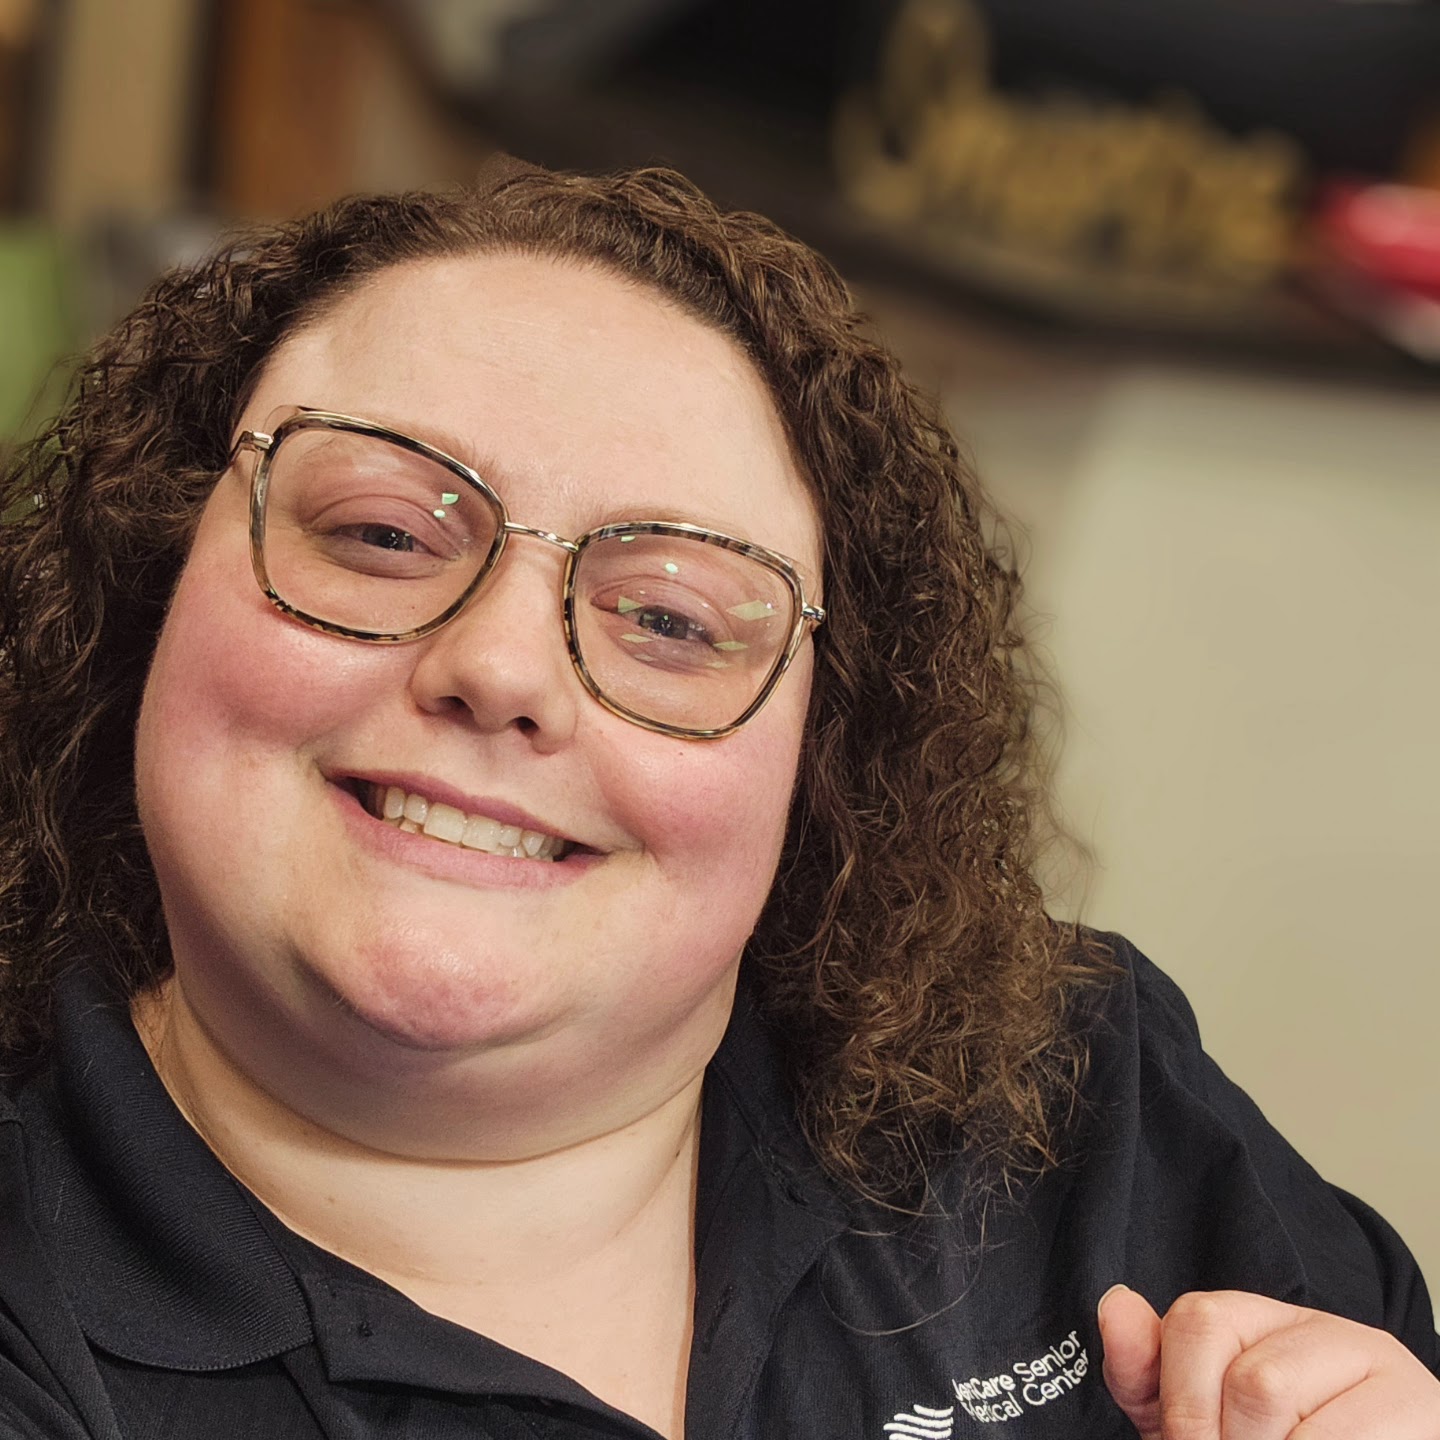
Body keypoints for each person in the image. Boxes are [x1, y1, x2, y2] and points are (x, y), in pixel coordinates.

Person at [0, 159, 1435, 1440]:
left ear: (823, 760)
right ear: (147, 581)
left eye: (671, 619)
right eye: (379, 535)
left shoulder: (1072, 1091)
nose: (500, 667)